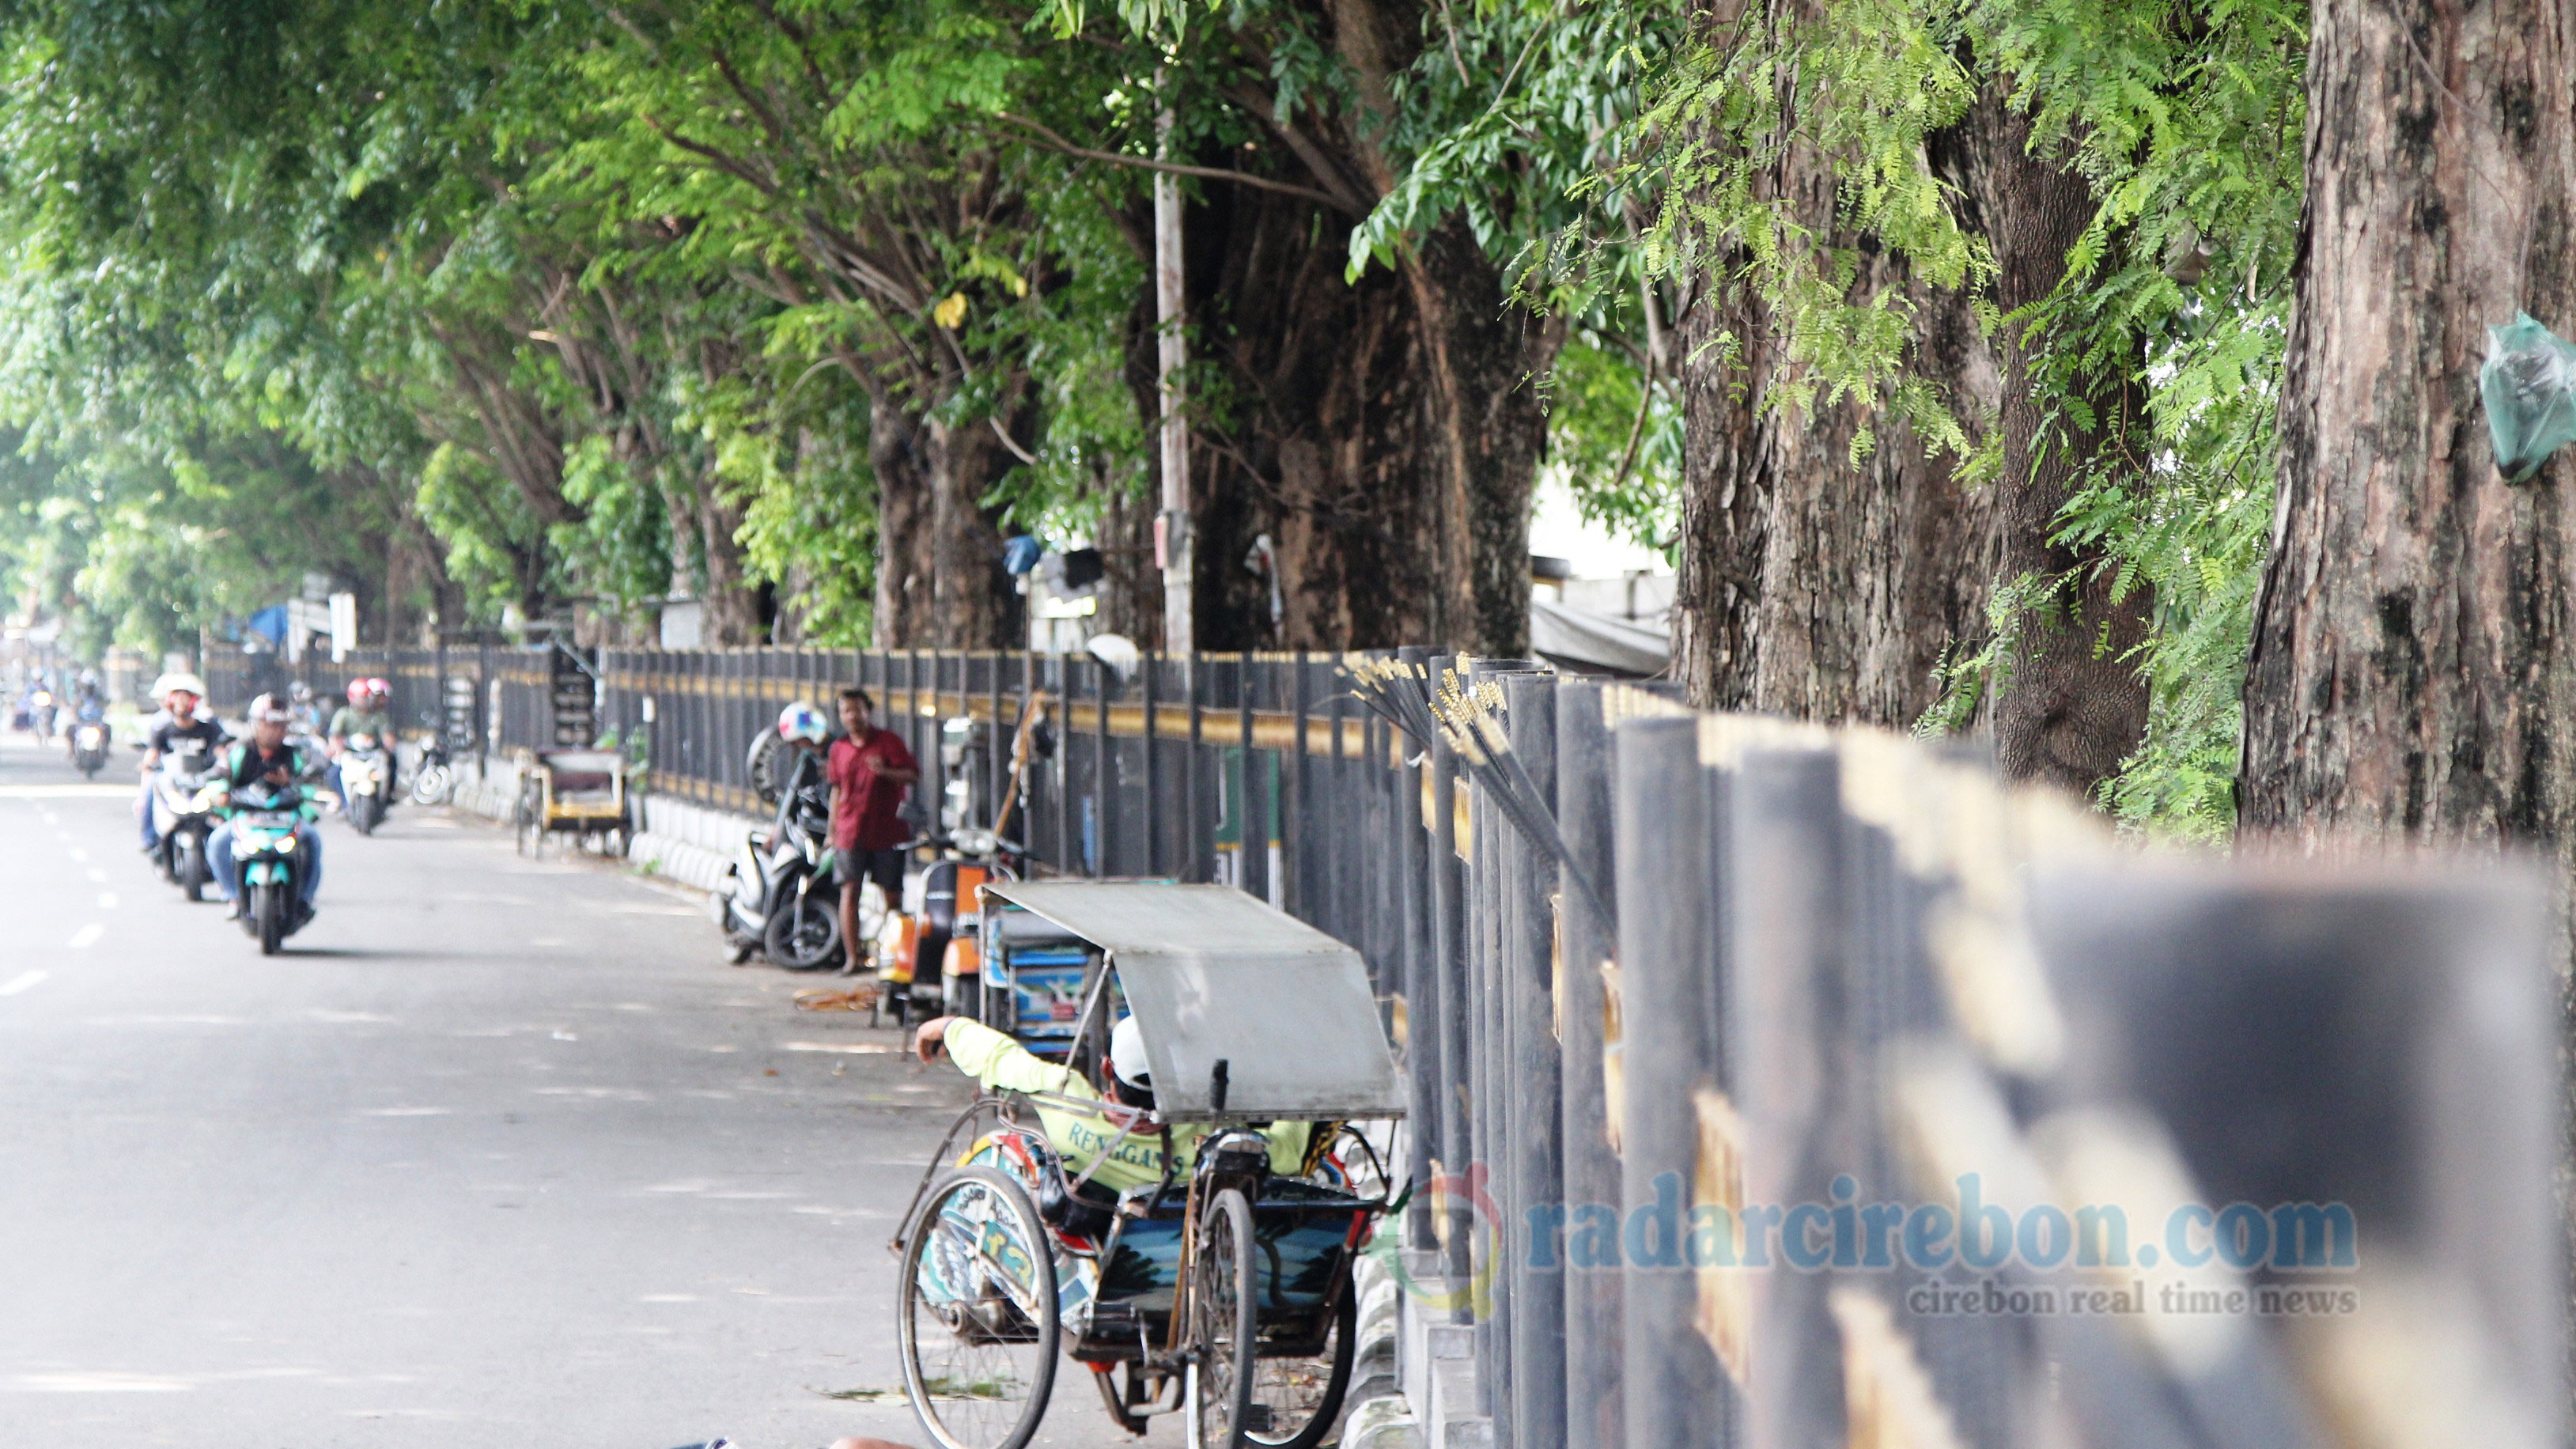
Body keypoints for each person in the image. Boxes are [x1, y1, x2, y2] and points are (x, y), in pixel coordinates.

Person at [910, 1014, 1310, 1197]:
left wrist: (948, 1028)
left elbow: (1005, 1059)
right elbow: (1289, 1150)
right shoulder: (1215, 1142)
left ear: (1106, 1069)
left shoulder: (1068, 1102)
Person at [205, 694, 325, 921]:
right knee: (217, 842)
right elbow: (219, 776)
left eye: (279, 725)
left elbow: (310, 783)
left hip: (287, 819)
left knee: (312, 841)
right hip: (246, 819)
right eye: (268, 724)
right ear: (255, 725)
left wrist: (289, 783)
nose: (274, 731)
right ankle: (234, 897)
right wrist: (220, 793)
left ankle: (304, 900)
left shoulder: (295, 754)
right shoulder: (239, 752)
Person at [828, 688, 918, 978]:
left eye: (857, 710)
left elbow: (913, 775)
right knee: (849, 891)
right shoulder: (839, 748)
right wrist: (832, 830)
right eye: (846, 711)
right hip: (849, 832)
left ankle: (895, 957)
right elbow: (836, 789)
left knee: (892, 896)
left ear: (868, 711)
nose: (852, 716)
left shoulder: (888, 743)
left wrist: (886, 773)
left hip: (887, 832)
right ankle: (853, 957)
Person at [138, 672, 227, 853]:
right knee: (149, 791)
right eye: (177, 697)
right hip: (173, 781)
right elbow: (152, 754)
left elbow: (221, 752)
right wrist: (147, 764)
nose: (181, 702)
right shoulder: (163, 729)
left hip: (203, 780)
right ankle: (150, 838)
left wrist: (225, 763)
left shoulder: (209, 727)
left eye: (186, 697)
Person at [326, 677, 397, 802]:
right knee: (334, 772)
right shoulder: (344, 714)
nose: (365, 700)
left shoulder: (378, 716)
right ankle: (343, 803)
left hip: (372, 754)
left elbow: (387, 737)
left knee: (390, 765)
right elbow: (334, 736)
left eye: (367, 697)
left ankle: (385, 798)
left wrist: (388, 747)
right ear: (352, 698)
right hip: (351, 754)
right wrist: (338, 750)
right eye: (362, 697)